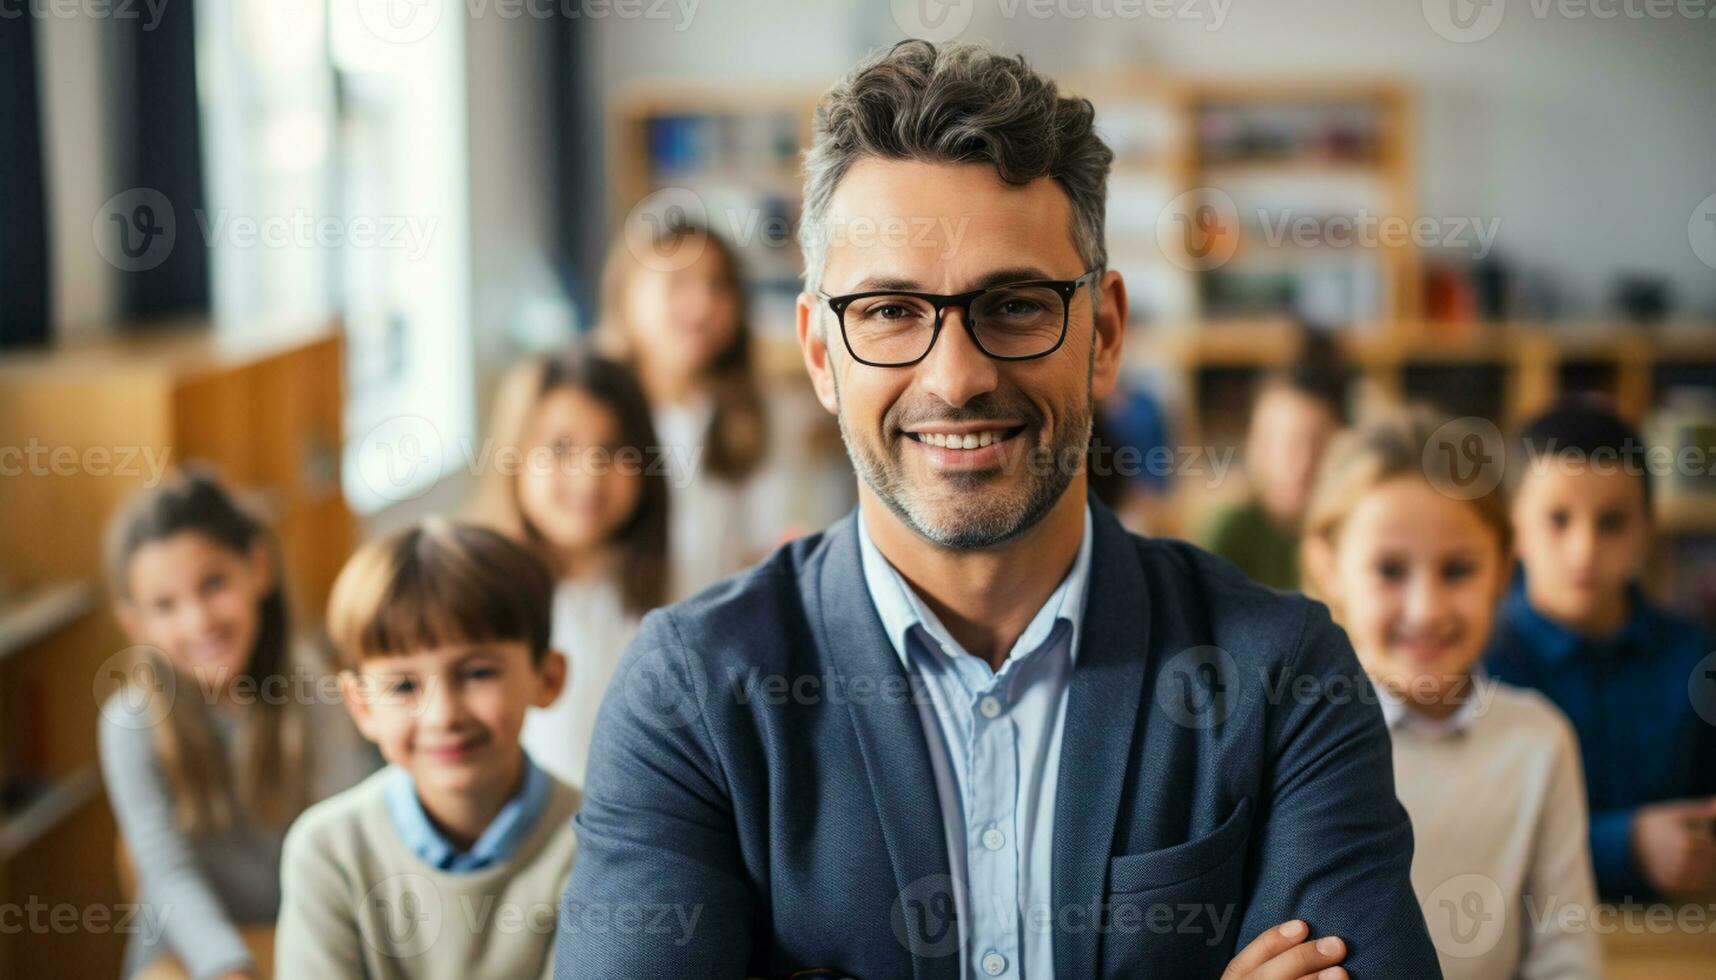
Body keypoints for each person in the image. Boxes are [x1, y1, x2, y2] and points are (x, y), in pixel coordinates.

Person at [557, 40, 1438, 979]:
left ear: (1103, 334)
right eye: (892, 310)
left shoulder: (1287, 680)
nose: (958, 378)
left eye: (1015, 304)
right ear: (820, 353)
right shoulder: (690, 697)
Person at [1303, 408, 1602, 979]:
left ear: (1501, 570)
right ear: (1328, 567)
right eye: (1390, 570)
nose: (1427, 609)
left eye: (1458, 569)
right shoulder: (1283, 738)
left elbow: (1565, 961)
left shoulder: (1539, 742)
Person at [99, 469, 376, 979]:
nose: (198, 621)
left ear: (258, 569)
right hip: (187, 956)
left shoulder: (322, 691)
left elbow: (350, 839)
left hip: (310, 937)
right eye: (165, 605)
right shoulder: (129, 725)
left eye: (214, 584)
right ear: (134, 623)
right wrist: (228, 967)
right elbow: (167, 875)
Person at [275, 520, 580, 979]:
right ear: (361, 706)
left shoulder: (596, 845)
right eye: (403, 685)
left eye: (477, 673)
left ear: (548, 678)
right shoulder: (328, 852)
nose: (444, 716)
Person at [1486, 399, 1716, 900]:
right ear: (1513, 529)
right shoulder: (1474, 663)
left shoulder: (1697, 656)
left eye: (1612, 522)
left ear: (1648, 530)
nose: (1583, 550)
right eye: (1558, 519)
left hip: (1675, 953)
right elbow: (1475, 841)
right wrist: (1628, 844)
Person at [594, 219, 848, 598]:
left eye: (719, 285)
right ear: (626, 293)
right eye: (678, 282)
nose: (702, 304)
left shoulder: (762, 417)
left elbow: (774, 543)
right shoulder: (593, 414)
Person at [467, 349, 671, 786]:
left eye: (614, 450)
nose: (588, 476)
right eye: (561, 449)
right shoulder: (473, 600)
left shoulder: (670, 597)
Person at [1200, 334, 1347, 590]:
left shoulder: (1351, 534)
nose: (1301, 465)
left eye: (1317, 444)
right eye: (1285, 444)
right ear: (1253, 446)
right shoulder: (1231, 529)